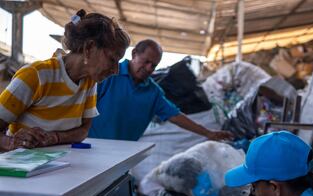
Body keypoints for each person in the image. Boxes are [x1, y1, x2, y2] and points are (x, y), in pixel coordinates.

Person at [0, 9, 130, 152]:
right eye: (112, 59)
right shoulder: (36, 75)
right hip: (21, 169)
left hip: (58, 166)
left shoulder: (89, 81)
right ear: (89, 47)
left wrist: (54, 137)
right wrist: (13, 142)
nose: (116, 70)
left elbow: (83, 131)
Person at [88, 39, 233, 142]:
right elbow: (84, 103)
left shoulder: (153, 92)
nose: (149, 68)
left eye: (154, 65)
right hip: (92, 146)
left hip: (123, 154)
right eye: (146, 62)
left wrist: (208, 133)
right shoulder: (109, 74)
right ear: (134, 55)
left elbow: (175, 116)